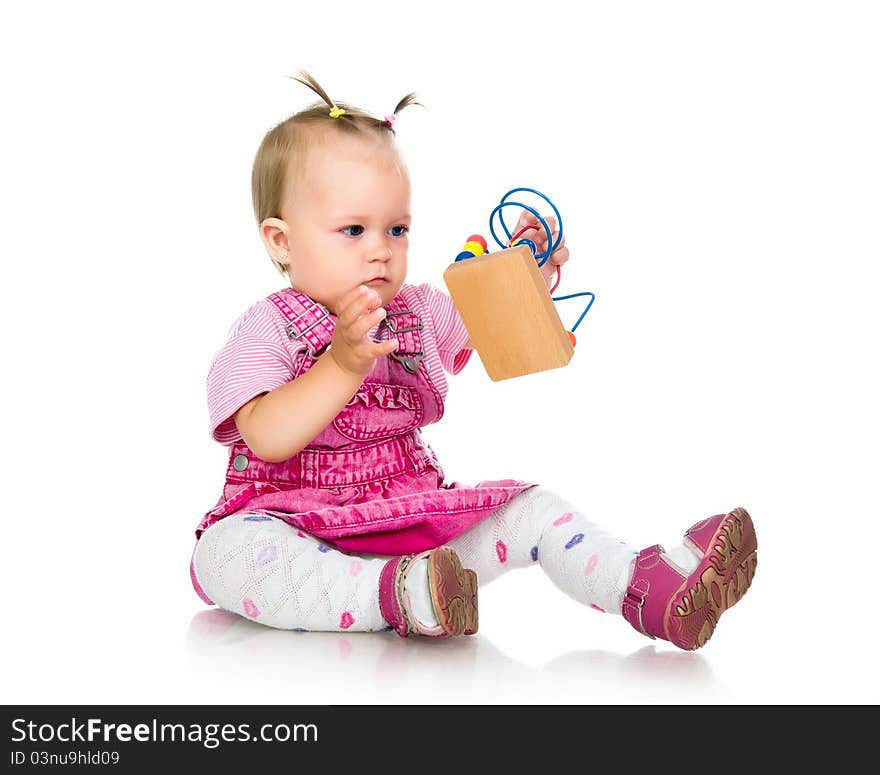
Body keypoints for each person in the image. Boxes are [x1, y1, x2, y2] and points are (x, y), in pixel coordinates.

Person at [189, 70, 758, 649]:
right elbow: (266, 436)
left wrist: (525, 268)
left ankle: (647, 586)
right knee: (223, 554)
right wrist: (340, 365)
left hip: (412, 523)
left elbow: (494, 325)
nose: (382, 250)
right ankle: (397, 596)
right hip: (295, 528)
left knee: (531, 507)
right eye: (354, 230)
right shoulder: (270, 326)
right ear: (282, 242)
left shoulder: (416, 311)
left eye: (398, 228)